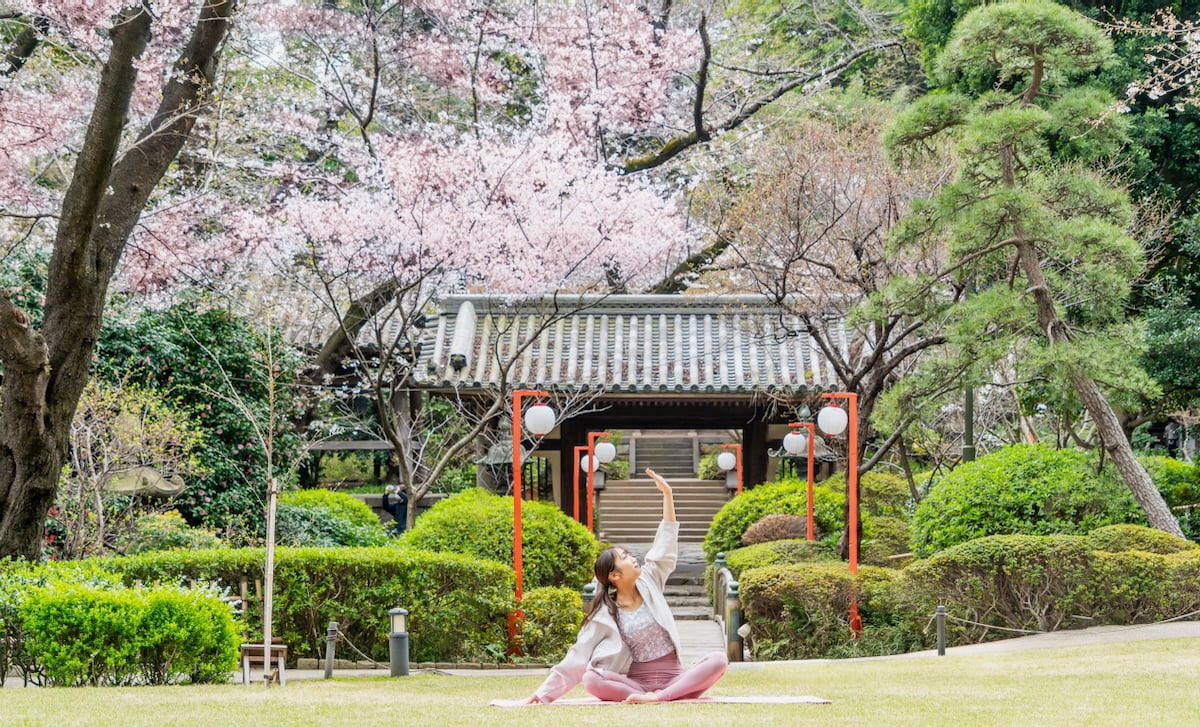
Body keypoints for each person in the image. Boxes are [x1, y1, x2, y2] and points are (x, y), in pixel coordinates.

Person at [526, 468, 728, 704]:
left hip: (674, 678)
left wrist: (668, 496)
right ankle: (652, 697)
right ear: (614, 575)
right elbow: (578, 655)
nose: (633, 559)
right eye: (624, 557)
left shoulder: (650, 581)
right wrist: (543, 694)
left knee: (718, 660)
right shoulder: (605, 612)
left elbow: (665, 546)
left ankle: (660, 697)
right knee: (592, 678)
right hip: (635, 684)